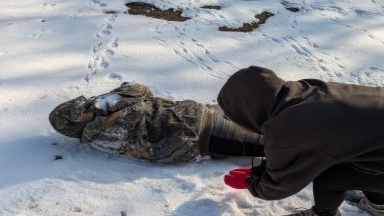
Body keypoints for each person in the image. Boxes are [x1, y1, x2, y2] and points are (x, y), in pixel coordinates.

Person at [218, 66, 384, 216]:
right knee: (352, 149)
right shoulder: (305, 92)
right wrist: (262, 170)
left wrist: (253, 183)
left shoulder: (290, 127)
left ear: (245, 111)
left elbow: (278, 187)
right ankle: (381, 206)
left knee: (329, 175)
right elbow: (313, 146)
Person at [49, 82, 264, 164]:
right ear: (75, 121)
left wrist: (107, 102)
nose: (87, 103)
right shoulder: (99, 132)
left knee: (270, 118)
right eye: (78, 109)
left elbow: (140, 90)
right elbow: (137, 100)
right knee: (271, 144)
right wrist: (110, 102)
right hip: (197, 132)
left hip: (196, 114)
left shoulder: (103, 112)